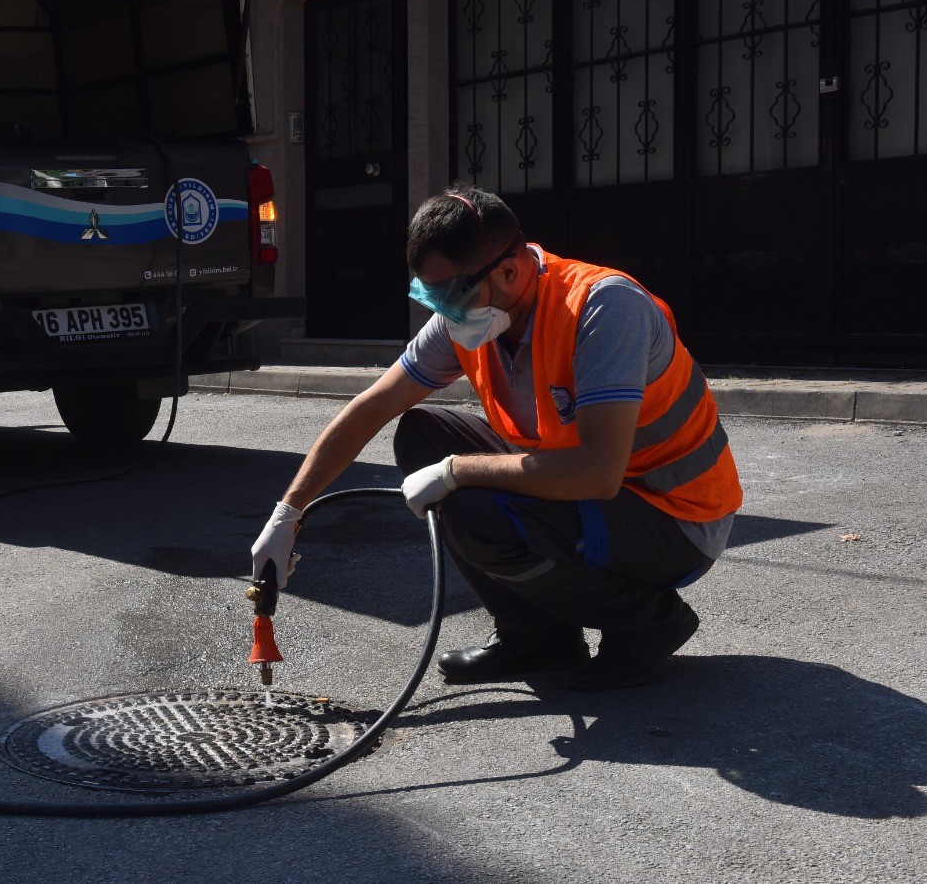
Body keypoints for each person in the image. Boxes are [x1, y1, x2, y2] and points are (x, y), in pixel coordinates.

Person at [252, 184, 743, 691]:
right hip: (600, 495)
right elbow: (372, 406)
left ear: (509, 271)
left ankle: (648, 622)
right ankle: (538, 639)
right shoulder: (472, 314)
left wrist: (456, 472)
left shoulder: (603, 308)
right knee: (421, 435)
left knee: (472, 509)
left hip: (675, 517)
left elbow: (597, 473)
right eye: (432, 296)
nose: (443, 312)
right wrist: (289, 512)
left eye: (451, 295)